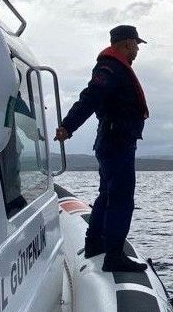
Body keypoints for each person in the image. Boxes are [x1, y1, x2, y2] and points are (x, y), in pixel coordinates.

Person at [55, 25, 150, 273]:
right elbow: (90, 97)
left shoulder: (115, 67)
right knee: (121, 199)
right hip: (116, 143)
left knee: (107, 195)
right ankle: (114, 256)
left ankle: (95, 244)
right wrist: (68, 126)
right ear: (127, 43)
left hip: (113, 142)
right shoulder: (110, 68)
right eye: (136, 44)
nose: (138, 49)